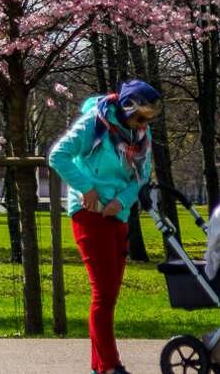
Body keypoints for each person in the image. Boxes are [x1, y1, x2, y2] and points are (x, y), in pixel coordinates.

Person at [50, 79, 160, 374]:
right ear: (127, 107)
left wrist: (122, 202)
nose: (143, 124)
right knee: (103, 293)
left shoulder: (140, 133)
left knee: (110, 293)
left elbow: (142, 175)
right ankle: (111, 366)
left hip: (117, 215)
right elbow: (57, 155)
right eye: (140, 117)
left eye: (147, 120)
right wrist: (86, 188)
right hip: (89, 214)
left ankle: (100, 366)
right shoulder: (94, 124)